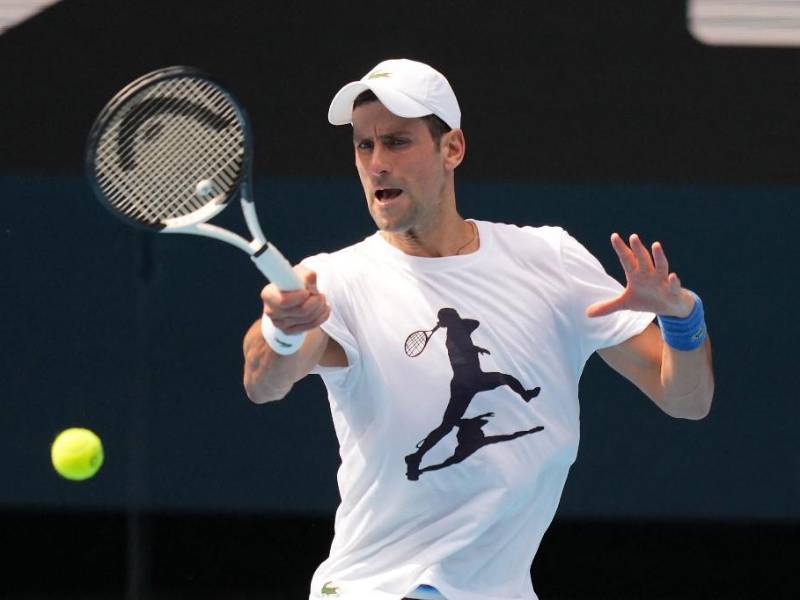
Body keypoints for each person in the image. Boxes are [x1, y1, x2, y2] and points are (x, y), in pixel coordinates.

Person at [242, 58, 714, 600]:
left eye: (396, 142)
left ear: (452, 149)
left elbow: (687, 400)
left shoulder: (549, 260)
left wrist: (682, 320)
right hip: (379, 589)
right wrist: (282, 329)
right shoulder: (336, 281)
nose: (376, 164)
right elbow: (264, 382)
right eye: (363, 146)